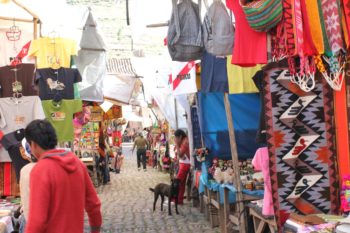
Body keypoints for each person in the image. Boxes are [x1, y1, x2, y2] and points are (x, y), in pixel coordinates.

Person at [24, 119, 102, 233]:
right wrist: (95, 230)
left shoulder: (41, 170)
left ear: (33, 144)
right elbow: (93, 205)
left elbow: (37, 221)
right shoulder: (77, 163)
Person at [174, 129, 191, 205]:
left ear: (180, 137)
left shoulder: (185, 142)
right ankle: (179, 200)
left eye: (176, 138)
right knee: (181, 183)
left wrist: (177, 144)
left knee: (177, 182)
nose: (175, 139)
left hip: (185, 165)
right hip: (184, 164)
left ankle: (176, 199)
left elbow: (180, 154)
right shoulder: (184, 140)